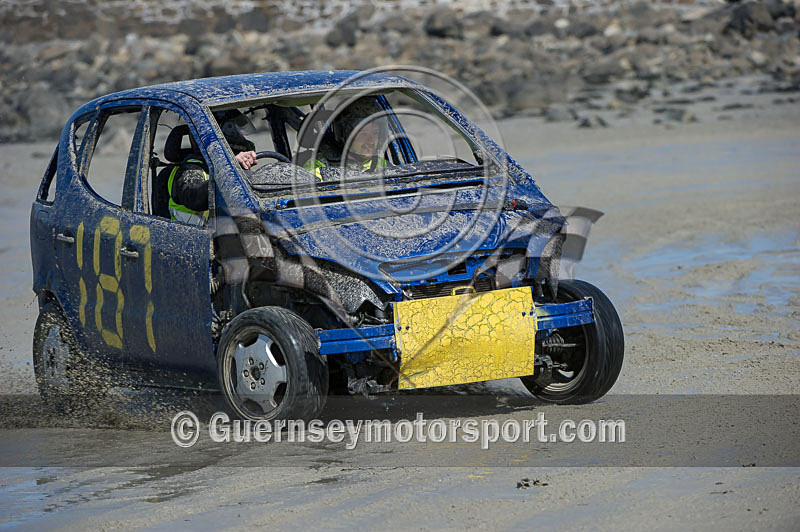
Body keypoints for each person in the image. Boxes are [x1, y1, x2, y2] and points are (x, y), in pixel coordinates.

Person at [168, 110, 258, 225]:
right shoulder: (192, 168)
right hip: (194, 239)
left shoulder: (220, 165)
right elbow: (195, 199)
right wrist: (229, 168)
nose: (243, 139)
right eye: (239, 134)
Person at [303, 97, 390, 179]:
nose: (371, 141)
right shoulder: (318, 167)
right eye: (363, 134)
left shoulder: (381, 164)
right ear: (344, 136)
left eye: (375, 133)